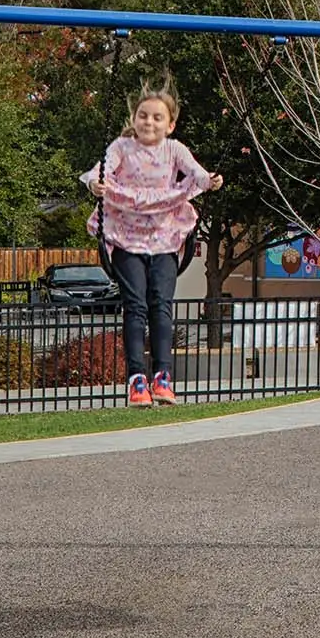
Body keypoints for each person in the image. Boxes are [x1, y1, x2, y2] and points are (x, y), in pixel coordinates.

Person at [80, 84, 221, 408]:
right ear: (134, 118)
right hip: (127, 236)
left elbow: (197, 174)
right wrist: (94, 184)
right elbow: (95, 173)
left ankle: (163, 378)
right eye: (143, 116)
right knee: (136, 306)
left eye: (158, 117)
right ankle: (136, 380)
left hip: (164, 237)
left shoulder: (175, 150)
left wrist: (211, 180)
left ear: (170, 124)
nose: (149, 122)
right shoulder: (122, 147)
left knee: (161, 304)